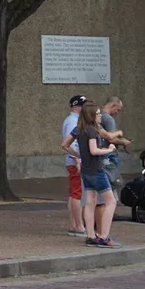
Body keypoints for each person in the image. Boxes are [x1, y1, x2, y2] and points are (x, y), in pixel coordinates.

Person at [64, 103, 120, 247]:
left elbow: (64, 145)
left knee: (90, 202)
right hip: (97, 170)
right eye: (98, 114)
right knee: (111, 202)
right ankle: (104, 236)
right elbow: (94, 150)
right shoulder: (92, 130)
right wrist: (110, 150)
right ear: (91, 116)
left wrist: (78, 155)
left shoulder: (79, 129)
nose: (100, 116)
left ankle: (90, 236)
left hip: (85, 171)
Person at [61, 95, 88, 237]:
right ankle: (79, 225)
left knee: (74, 193)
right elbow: (72, 143)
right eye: (83, 106)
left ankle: (74, 224)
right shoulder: (73, 121)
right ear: (76, 106)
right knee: (78, 194)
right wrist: (77, 159)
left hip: (73, 161)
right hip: (76, 162)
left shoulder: (72, 120)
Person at [99, 96, 130, 174]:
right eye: (117, 109)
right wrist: (124, 142)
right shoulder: (109, 119)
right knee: (112, 177)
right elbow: (111, 139)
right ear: (113, 105)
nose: (117, 112)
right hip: (109, 154)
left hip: (100, 153)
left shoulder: (98, 115)